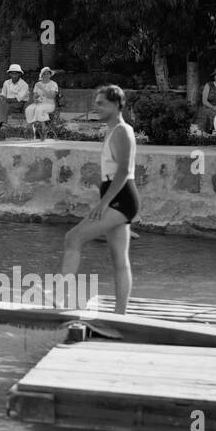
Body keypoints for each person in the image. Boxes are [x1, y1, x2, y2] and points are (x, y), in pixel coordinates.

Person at [59, 85, 137, 315]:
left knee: (73, 238)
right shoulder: (112, 130)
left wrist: (104, 204)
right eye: (97, 102)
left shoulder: (122, 130)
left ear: (116, 105)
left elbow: (124, 170)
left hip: (120, 199)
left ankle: (60, 300)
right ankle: (120, 314)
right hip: (117, 198)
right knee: (119, 259)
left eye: (101, 103)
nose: (96, 106)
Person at [0, 64, 29, 137]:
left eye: (16, 73)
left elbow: (18, 99)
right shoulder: (6, 83)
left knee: (1, 106)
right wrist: (2, 99)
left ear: (20, 74)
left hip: (19, 105)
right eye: (12, 73)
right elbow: (3, 95)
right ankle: (3, 126)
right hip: (7, 104)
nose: (14, 75)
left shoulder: (24, 85)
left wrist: (4, 100)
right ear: (9, 74)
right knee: (2, 104)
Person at [26, 67, 59, 140]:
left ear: (50, 75)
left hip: (49, 104)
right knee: (28, 109)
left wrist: (42, 88)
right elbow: (34, 96)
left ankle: (43, 129)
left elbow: (51, 96)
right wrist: (35, 99)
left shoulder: (53, 84)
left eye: (48, 74)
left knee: (39, 109)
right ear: (42, 75)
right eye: (44, 74)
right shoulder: (37, 84)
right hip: (39, 103)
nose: (46, 75)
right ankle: (31, 129)